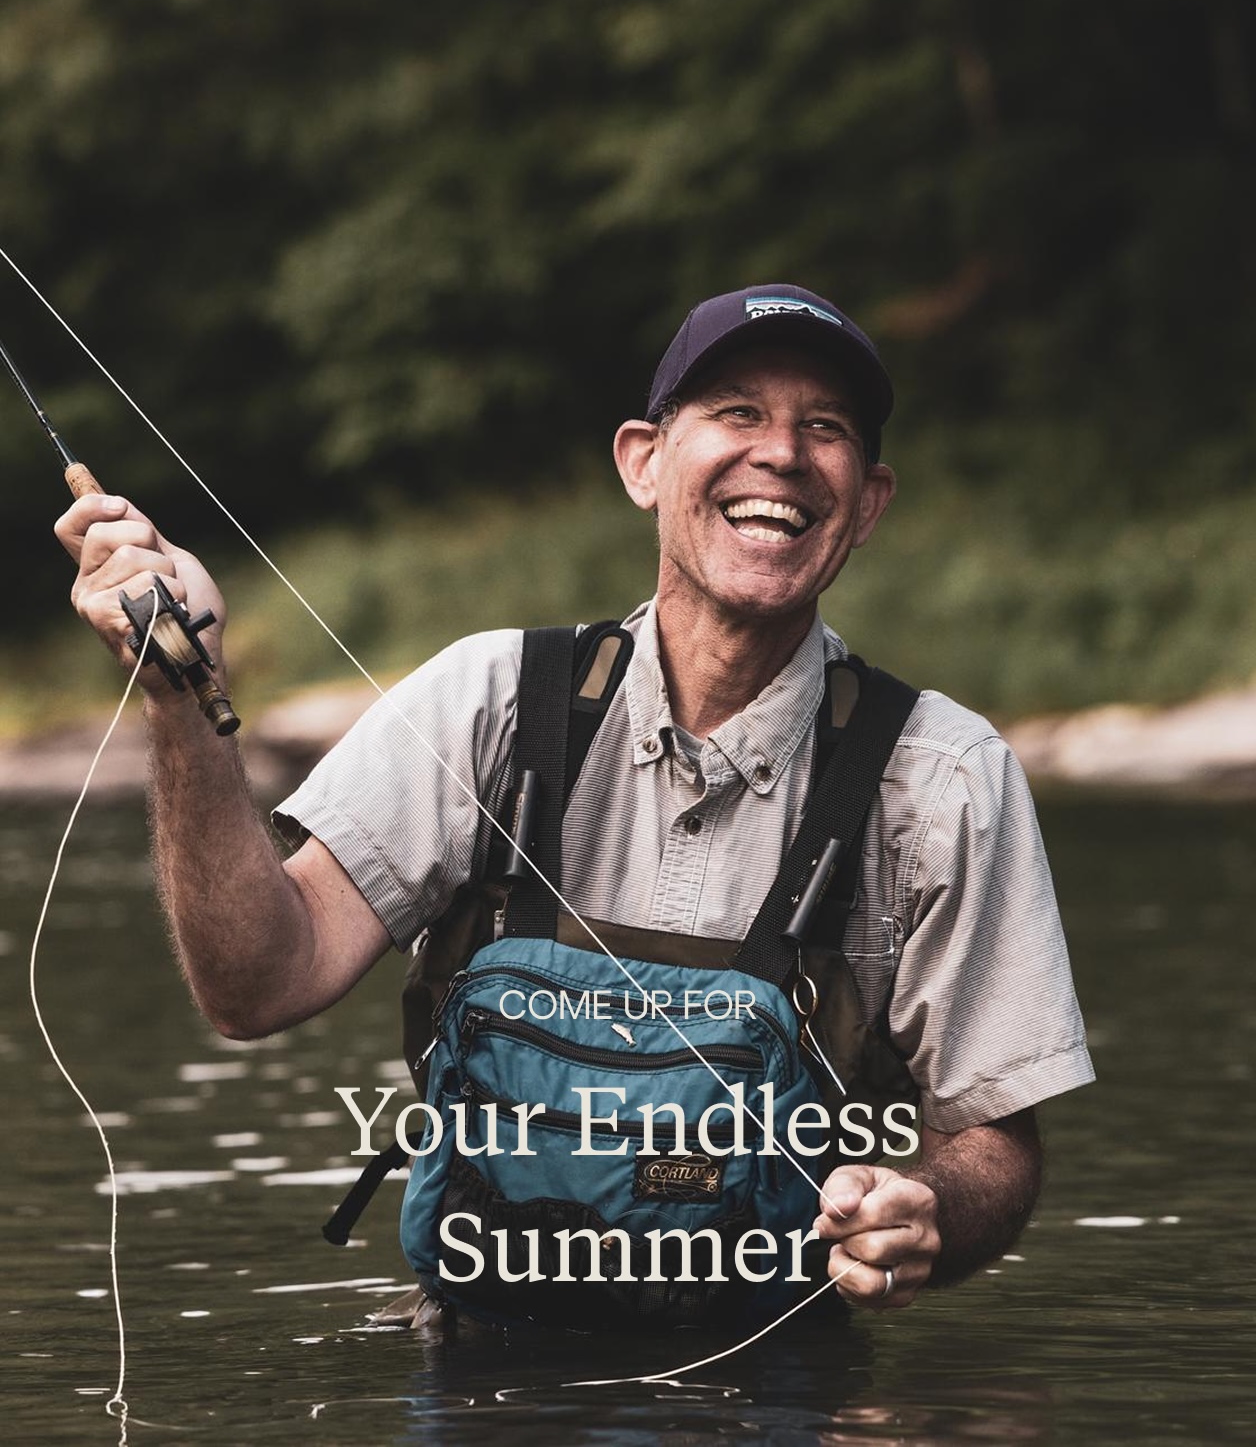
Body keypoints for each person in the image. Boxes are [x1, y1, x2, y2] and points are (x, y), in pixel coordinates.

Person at [56, 282, 1094, 1319]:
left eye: (820, 426)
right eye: (735, 411)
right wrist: (181, 698)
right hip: (474, 1371)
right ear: (642, 461)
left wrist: (923, 1208)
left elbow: (993, 1144)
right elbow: (255, 984)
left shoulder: (945, 775)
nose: (779, 451)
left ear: (865, 503)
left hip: (776, 1379)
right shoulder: (485, 702)